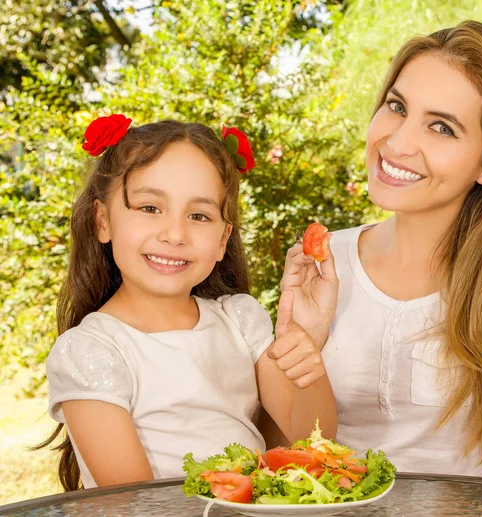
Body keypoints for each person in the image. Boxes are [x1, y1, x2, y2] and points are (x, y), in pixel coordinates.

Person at [278, 20, 482, 486]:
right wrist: (303, 350)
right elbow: (293, 447)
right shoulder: (325, 262)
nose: (397, 142)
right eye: (396, 106)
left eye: (442, 127)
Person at [41, 117, 337, 490]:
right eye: (150, 208)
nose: (175, 234)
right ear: (103, 221)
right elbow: (137, 502)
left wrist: (307, 355)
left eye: (199, 216)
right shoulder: (91, 350)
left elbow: (312, 438)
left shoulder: (240, 320)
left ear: (222, 239)